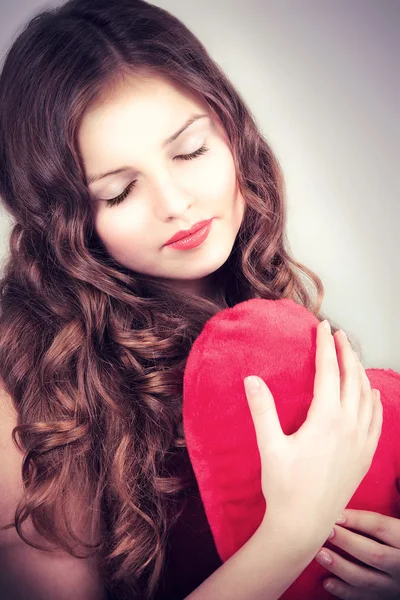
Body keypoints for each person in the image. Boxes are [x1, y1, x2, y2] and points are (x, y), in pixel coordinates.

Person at [0, 1, 397, 599]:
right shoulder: (31, 392)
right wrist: (292, 531)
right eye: (120, 191)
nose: (176, 202)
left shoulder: (275, 324)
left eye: (189, 151)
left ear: (232, 132)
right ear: (63, 222)